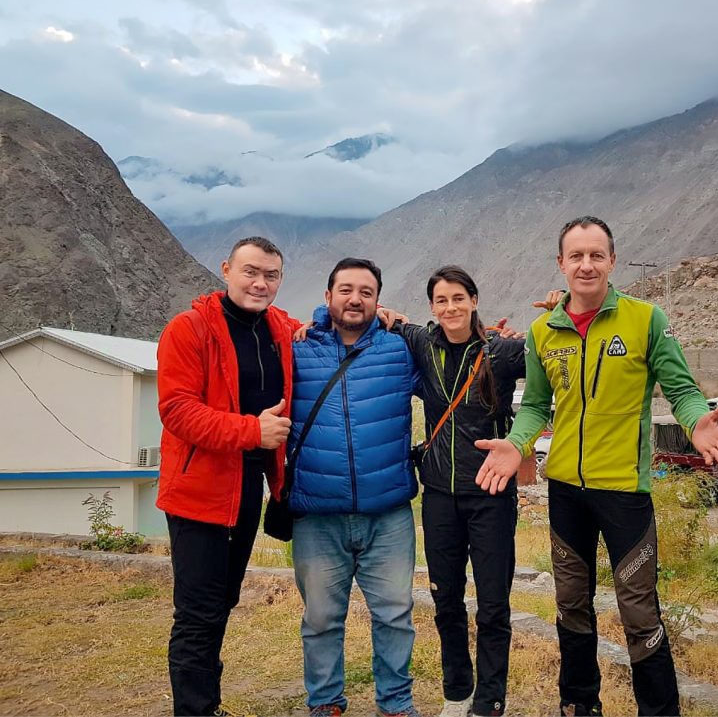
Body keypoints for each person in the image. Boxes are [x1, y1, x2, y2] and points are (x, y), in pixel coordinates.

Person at [474, 216, 718, 716]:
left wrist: (697, 419)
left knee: (639, 613)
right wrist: (517, 442)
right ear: (561, 264)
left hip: (624, 494)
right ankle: (579, 706)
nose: (586, 264)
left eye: (596, 254)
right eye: (576, 255)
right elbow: (534, 405)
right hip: (567, 493)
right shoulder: (542, 332)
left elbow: (679, 389)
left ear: (612, 261)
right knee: (571, 606)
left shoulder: (646, 320)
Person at [156, 236, 297, 717]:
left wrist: (387, 316)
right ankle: (194, 710)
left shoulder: (279, 328)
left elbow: (327, 325)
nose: (260, 283)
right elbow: (177, 411)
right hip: (197, 495)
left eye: (271, 275)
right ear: (226, 270)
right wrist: (250, 431)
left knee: (222, 602)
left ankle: (206, 704)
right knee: (197, 613)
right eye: (251, 272)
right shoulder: (188, 329)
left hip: (246, 494)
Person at [288, 257, 421, 717]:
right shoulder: (297, 350)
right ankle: (325, 703)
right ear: (327, 297)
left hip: (388, 514)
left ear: (378, 301)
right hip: (316, 516)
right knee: (321, 619)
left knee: (395, 616)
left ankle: (396, 703)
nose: (355, 298)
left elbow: (451, 368)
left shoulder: (399, 349)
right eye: (345, 289)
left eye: (366, 291)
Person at [392, 266, 526, 717]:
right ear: (432, 306)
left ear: (473, 299)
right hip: (438, 497)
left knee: (493, 604)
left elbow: (555, 359)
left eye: (457, 298)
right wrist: (312, 320)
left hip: (490, 493)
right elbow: (381, 317)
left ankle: (489, 699)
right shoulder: (421, 343)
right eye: (441, 300)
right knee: (445, 600)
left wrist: (557, 312)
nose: (449, 307)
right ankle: (457, 691)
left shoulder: (502, 352)